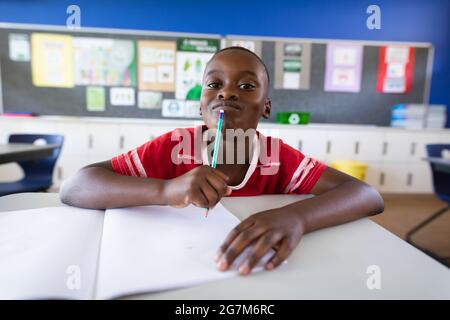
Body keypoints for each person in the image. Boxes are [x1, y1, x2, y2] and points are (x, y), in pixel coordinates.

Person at [60, 46, 384, 276]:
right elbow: (75, 187)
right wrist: (166, 190)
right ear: (200, 104)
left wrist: (295, 218)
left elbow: (367, 195)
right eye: (214, 84)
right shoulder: (174, 146)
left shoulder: (275, 156)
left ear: (266, 107)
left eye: (245, 86)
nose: (227, 93)